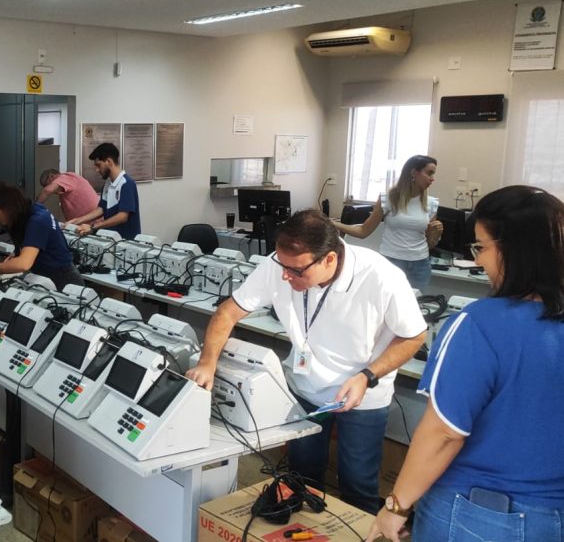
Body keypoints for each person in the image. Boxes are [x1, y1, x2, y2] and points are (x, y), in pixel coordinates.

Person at [186, 209, 426, 514]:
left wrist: (368, 375)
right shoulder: (279, 265)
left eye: (296, 271)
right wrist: (207, 363)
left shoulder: (381, 276)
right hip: (305, 389)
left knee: (358, 483)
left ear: (329, 258)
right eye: (282, 265)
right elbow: (227, 313)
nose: (285, 276)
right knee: (301, 478)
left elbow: (413, 337)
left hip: (362, 395)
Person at [367, 186, 564, 541]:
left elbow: (444, 433)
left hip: (482, 513)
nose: (477, 262)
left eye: (481, 247)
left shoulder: (479, 323)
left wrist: (396, 505)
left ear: (514, 249)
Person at [335, 155, 443, 290]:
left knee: (417, 301)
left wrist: (437, 234)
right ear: (414, 173)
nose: (432, 179)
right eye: (429, 173)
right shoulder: (388, 199)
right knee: (387, 301)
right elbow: (363, 231)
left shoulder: (431, 203)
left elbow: (430, 244)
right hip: (392, 261)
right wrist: (332, 223)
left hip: (420, 265)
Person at [0, 181, 83, 289]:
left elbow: (24, 263)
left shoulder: (37, 220)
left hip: (63, 280)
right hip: (43, 276)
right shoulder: (26, 213)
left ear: (6, 207)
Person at [66, 143, 140, 239]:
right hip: (111, 239)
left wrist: (93, 227)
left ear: (109, 161)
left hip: (126, 241)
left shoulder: (127, 183)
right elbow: (101, 209)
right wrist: (76, 221)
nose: (97, 170)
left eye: (98, 165)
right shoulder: (107, 184)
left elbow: (122, 216)